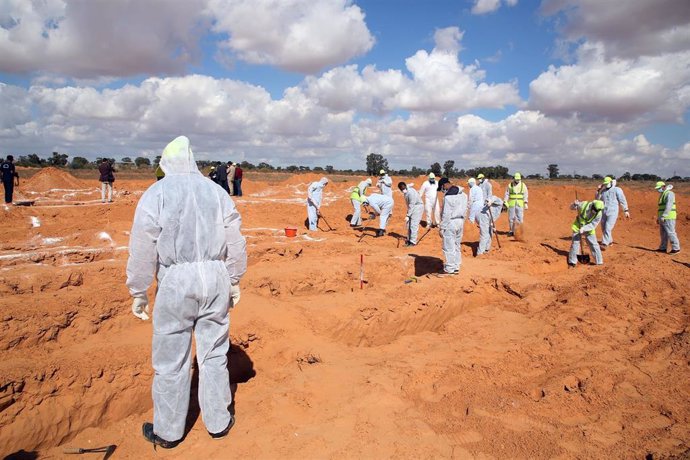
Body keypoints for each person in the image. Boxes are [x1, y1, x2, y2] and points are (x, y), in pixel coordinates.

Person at [126, 135, 247, 449]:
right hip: (216, 277)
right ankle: (218, 421)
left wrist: (138, 290)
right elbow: (235, 238)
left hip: (177, 281)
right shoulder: (216, 192)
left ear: (166, 162)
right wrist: (234, 279)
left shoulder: (156, 194)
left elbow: (142, 247)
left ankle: (168, 431)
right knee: (214, 352)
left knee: (171, 358)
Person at [568, 199, 604, 267]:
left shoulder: (599, 214)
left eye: (597, 210)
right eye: (594, 209)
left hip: (589, 229)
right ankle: (572, 262)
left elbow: (593, 224)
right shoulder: (583, 205)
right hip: (578, 226)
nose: (595, 211)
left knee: (593, 244)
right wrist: (574, 204)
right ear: (592, 205)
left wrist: (584, 228)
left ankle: (599, 262)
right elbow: (571, 208)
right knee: (575, 243)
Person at [595, 176, 629, 247]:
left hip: (613, 211)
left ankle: (604, 243)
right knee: (604, 227)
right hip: (604, 211)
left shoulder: (617, 190)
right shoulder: (603, 191)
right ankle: (610, 241)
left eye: (607, 183)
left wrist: (626, 210)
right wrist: (598, 190)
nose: (606, 185)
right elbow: (597, 199)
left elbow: (622, 200)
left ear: (611, 182)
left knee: (608, 227)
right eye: (605, 184)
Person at [655, 181, 681, 254]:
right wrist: (659, 217)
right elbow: (661, 207)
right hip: (663, 217)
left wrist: (664, 215)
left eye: (659, 188)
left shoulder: (669, 193)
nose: (658, 190)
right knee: (663, 233)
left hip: (669, 216)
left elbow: (669, 205)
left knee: (670, 232)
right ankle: (663, 248)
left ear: (663, 186)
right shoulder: (662, 194)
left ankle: (676, 248)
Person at [398, 182, 423, 246]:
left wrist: (408, 215)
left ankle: (413, 242)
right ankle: (409, 239)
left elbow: (412, 204)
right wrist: (408, 214)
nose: (403, 190)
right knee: (408, 224)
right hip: (411, 208)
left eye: (404, 188)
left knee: (413, 225)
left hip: (417, 207)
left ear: (405, 186)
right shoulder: (406, 192)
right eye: (402, 189)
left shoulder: (411, 192)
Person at [504, 172, 528, 236]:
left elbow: (525, 194)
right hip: (512, 203)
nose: (517, 180)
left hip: (519, 203)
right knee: (511, 218)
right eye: (516, 179)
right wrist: (505, 201)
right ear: (514, 178)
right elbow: (507, 194)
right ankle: (511, 231)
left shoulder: (523, 185)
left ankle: (520, 231)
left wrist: (525, 203)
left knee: (520, 218)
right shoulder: (510, 185)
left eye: (518, 179)